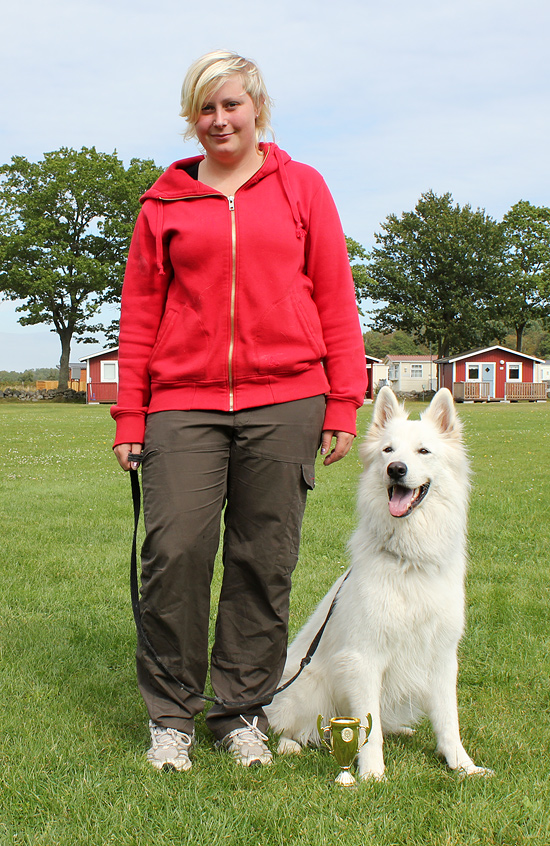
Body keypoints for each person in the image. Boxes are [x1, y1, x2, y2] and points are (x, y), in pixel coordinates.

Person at [112, 50, 367, 773]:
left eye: (231, 105)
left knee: (263, 563)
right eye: (205, 107)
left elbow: (333, 297)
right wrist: (131, 417)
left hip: (287, 399)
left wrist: (342, 402)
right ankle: (171, 718)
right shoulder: (163, 204)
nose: (219, 120)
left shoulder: (301, 187)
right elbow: (139, 318)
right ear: (191, 117)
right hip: (183, 403)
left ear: (258, 108)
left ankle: (240, 714)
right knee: (176, 555)